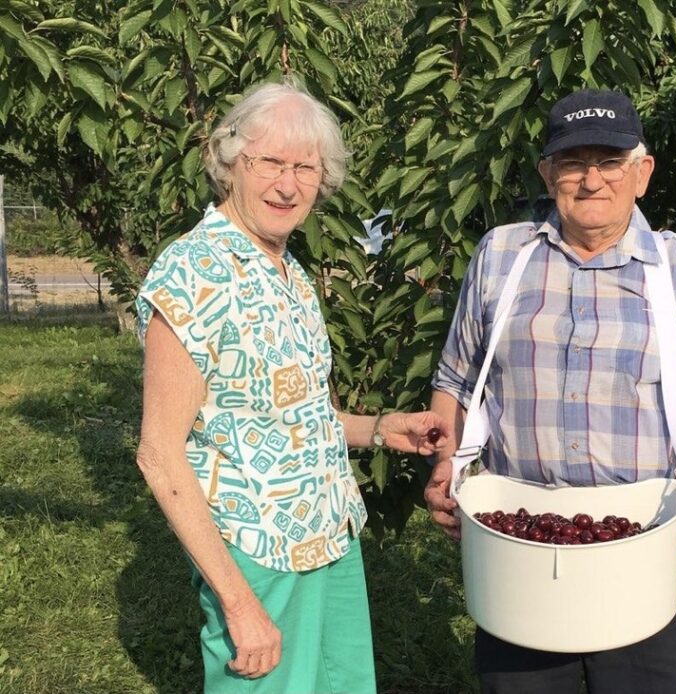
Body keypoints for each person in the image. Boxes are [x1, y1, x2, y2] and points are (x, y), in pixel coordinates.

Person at [424, 88, 676, 694]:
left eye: (609, 162)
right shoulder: (502, 255)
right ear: (547, 173)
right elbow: (456, 378)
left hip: (645, 548)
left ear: (642, 173)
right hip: (520, 549)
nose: (591, 180)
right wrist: (446, 462)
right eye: (573, 162)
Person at [134, 81, 449, 694]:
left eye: (305, 166)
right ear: (230, 163)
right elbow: (158, 455)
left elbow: (299, 415)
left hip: (330, 537)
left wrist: (385, 429)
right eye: (269, 162)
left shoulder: (290, 271)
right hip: (257, 553)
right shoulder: (193, 271)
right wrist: (240, 604)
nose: (287, 184)